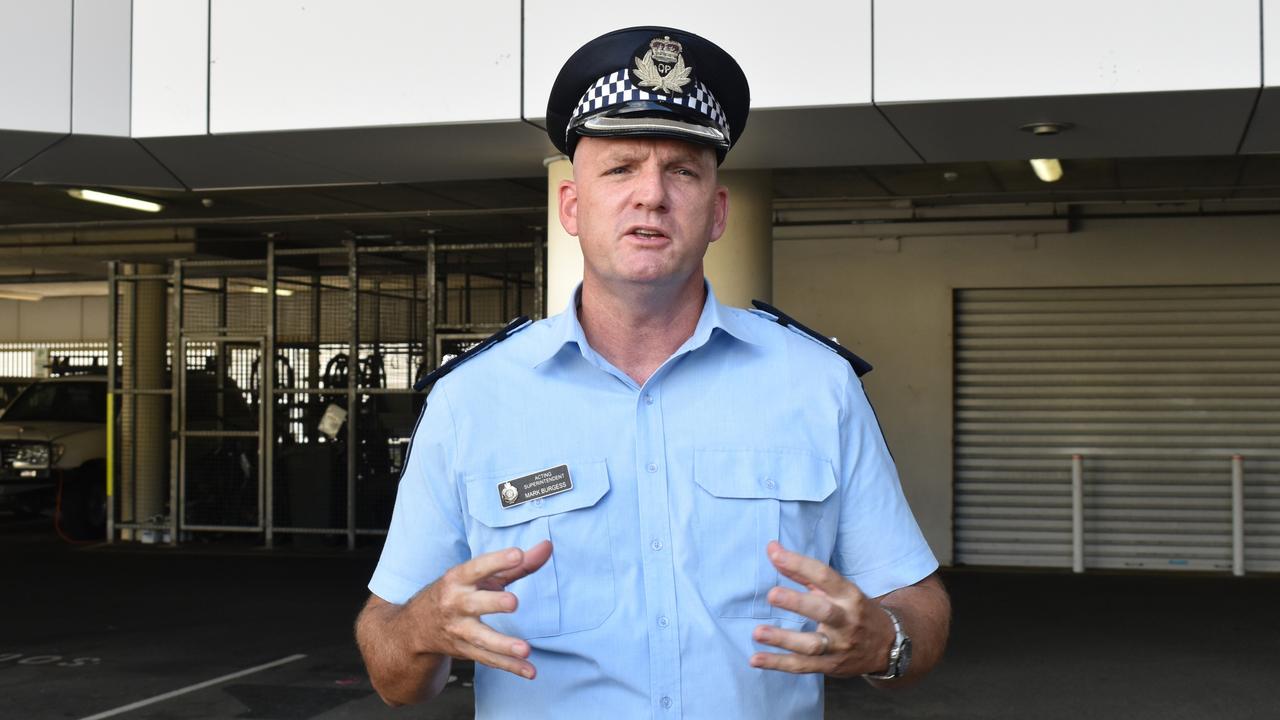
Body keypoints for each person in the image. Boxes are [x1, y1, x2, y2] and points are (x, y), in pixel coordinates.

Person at [356, 25, 951, 718]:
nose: (652, 195)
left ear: (717, 211)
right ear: (571, 208)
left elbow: (916, 598)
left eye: (682, 171)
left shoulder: (816, 384)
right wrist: (422, 628)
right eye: (620, 168)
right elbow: (389, 659)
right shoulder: (472, 400)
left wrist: (890, 642)